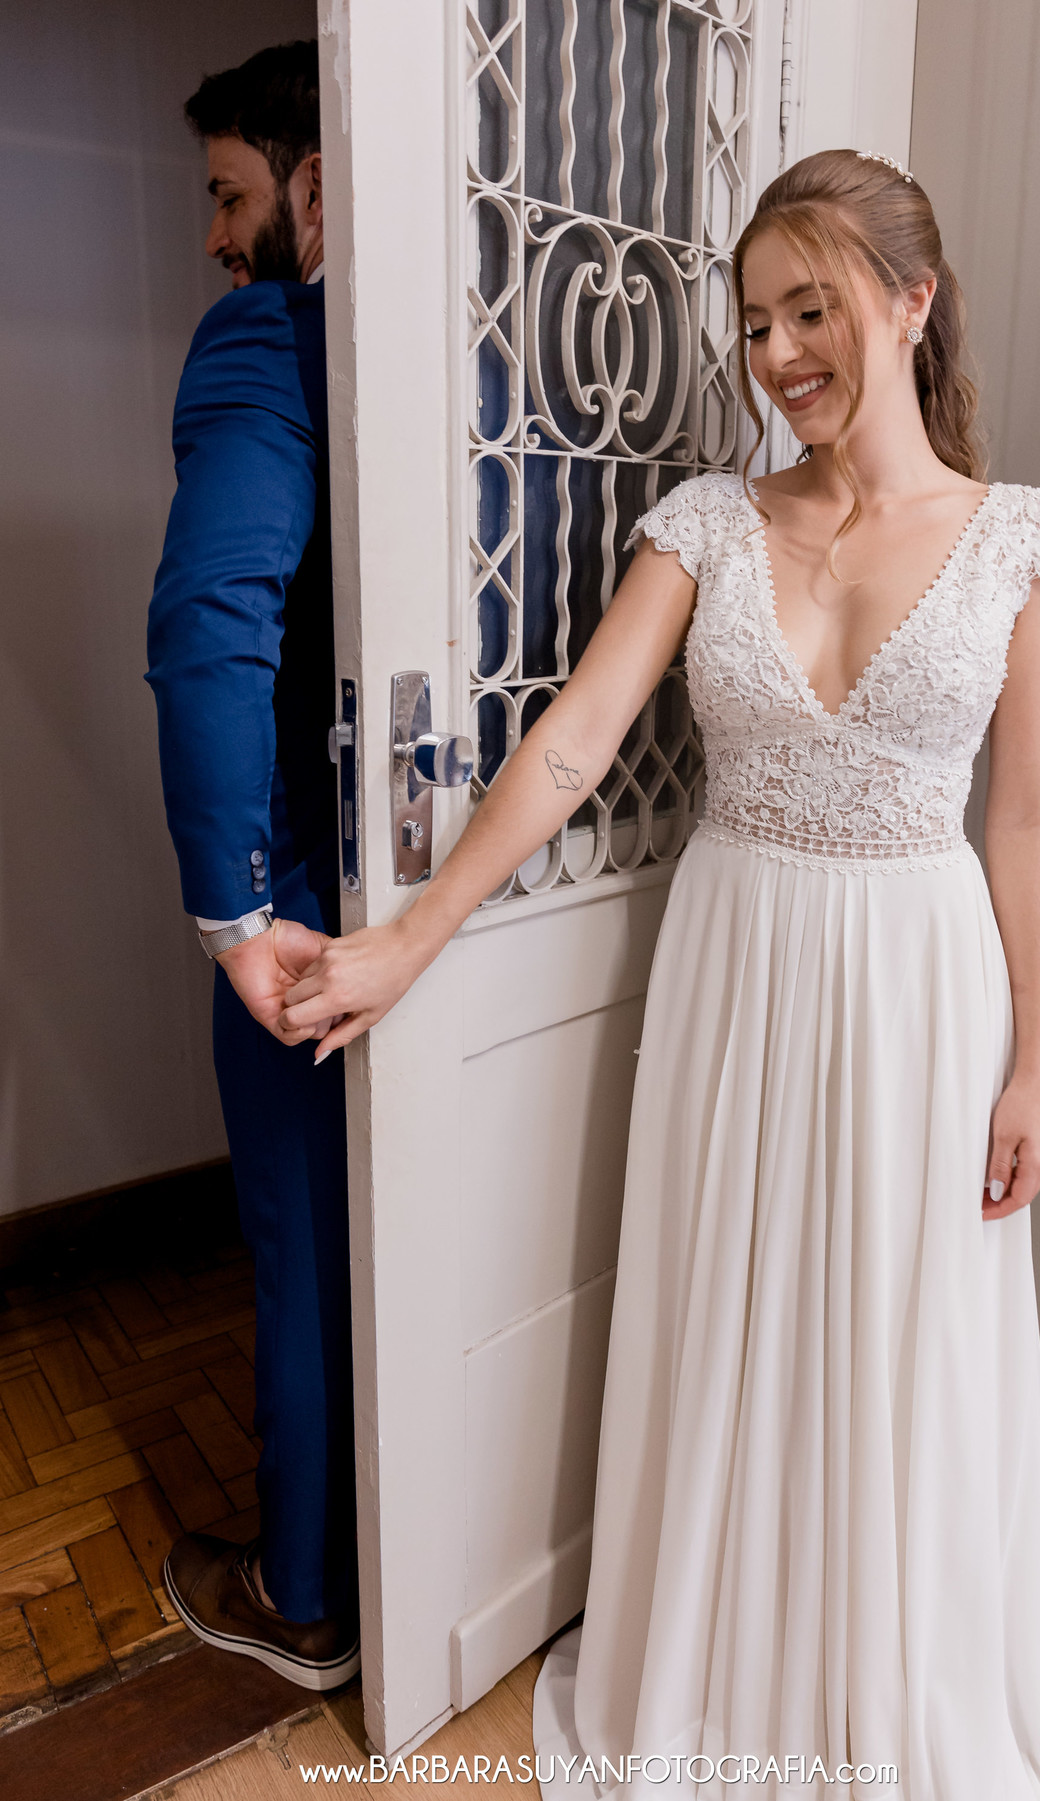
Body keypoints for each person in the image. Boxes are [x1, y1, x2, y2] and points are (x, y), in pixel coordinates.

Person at [279, 150, 1040, 1786]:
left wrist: (1038, 1066)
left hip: (922, 991)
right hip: (736, 968)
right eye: (756, 319)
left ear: (911, 303)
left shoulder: (1024, 544)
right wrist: (410, 938)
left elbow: (1033, 818)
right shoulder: (709, 523)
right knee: (730, 1319)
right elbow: (574, 740)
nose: (777, 353)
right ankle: (731, 1667)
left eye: (811, 308)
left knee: (903, 1342)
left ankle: (889, 1684)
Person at [145, 40, 359, 1691]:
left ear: (311, 184)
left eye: (230, 194)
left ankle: (301, 1595)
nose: (217, 238)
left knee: (302, 1251)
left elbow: (211, 627)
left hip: (291, 899)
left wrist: (235, 916)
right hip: (416, 892)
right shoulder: (446, 363)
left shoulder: (264, 344)